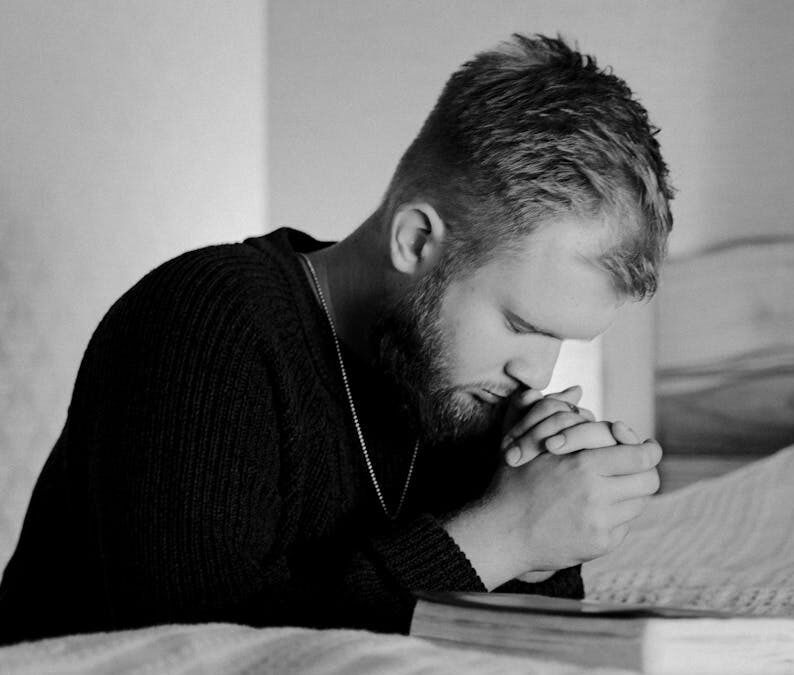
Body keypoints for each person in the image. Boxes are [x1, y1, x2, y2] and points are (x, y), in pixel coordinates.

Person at [0, 33, 673, 644]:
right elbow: (195, 648)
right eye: (521, 326)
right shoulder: (205, 320)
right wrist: (507, 534)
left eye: (563, 341)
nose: (537, 373)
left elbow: (495, 649)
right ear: (416, 240)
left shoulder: (460, 390)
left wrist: (549, 532)